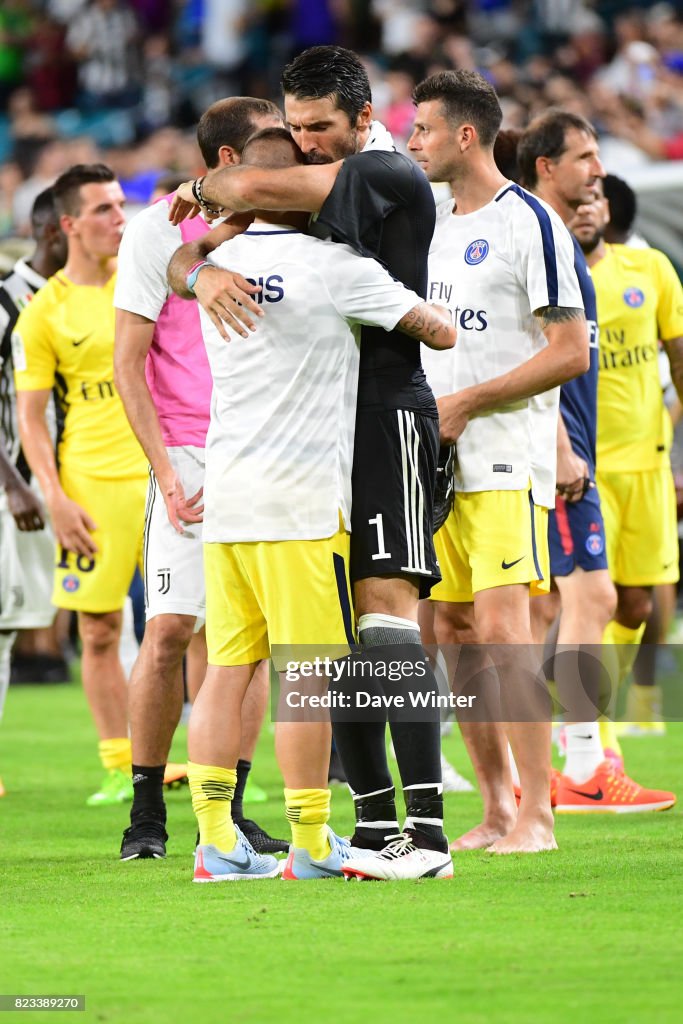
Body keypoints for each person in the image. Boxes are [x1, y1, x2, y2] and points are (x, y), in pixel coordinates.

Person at [167, 45, 453, 880]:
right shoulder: (309, 235)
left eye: (319, 126)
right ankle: (364, 831)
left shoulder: (386, 172)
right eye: (292, 128)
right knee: (330, 647)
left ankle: (426, 834)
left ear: (363, 119)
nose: (308, 142)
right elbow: (192, 247)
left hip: (383, 413)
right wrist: (201, 269)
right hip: (311, 444)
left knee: (382, 621)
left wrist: (195, 204)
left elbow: (246, 191)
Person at [407, 71, 589, 854]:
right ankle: (492, 810)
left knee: (503, 630)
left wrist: (469, 402)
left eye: (422, 130)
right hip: (435, 463)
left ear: (465, 135)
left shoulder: (531, 225)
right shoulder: (433, 223)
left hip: (503, 459)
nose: (412, 144)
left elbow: (569, 352)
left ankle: (539, 817)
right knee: (449, 628)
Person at [114, 97, 286, 861]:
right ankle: (145, 810)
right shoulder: (155, 232)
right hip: (186, 452)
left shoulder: (289, 222)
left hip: (262, 449)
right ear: (224, 161)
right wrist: (164, 472)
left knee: (249, 641)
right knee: (169, 630)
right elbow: (128, 361)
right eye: (266, 148)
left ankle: (231, 808)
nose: (286, 160)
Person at [517, 115, 674, 812]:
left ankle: (564, 766)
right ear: (548, 169)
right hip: (568, 462)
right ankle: (569, 764)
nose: (594, 177)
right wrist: (556, 448)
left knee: (616, 602)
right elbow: (534, 362)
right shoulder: (536, 247)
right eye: (583, 159)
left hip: (621, 462)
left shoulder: (637, 269)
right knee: (533, 611)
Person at [14, 163, 148, 806]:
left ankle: (221, 769)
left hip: (168, 473)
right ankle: (119, 766)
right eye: (103, 209)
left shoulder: (150, 283)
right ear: (68, 224)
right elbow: (29, 417)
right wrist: (55, 496)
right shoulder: (44, 312)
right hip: (92, 483)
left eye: (121, 206)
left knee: (203, 626)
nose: (120, 219)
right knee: (98, 628)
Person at [569, 176, 683, 793]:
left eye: (596, 200)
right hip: (586, 471)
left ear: (608, 210)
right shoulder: (556, 278)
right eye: (578, 199)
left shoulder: (652, 268)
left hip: (647, 466)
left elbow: (679, 354)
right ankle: (596, 741)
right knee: (591, 601)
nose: (587, 209)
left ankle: (593, 728)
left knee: (637, 603)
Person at [0, 186, 67, 798]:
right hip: (14, 490)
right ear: (51, 230)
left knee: (104, 618)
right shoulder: (4, 302)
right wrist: (14, 484)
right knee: (1, 625)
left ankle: (129, 763)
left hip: (69, 483)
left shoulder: (77, 298)